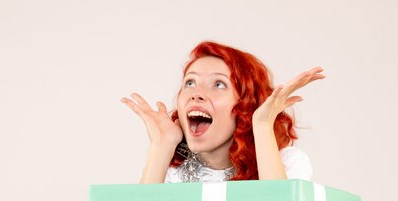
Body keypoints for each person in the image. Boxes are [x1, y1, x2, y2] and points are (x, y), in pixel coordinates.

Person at [121, 41, 324, 183]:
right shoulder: (172, 173)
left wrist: (262, 126)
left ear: (245, 105)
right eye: (190, 82)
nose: (196, 94)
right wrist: (161, 146)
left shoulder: (288, 163)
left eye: (218, 84)